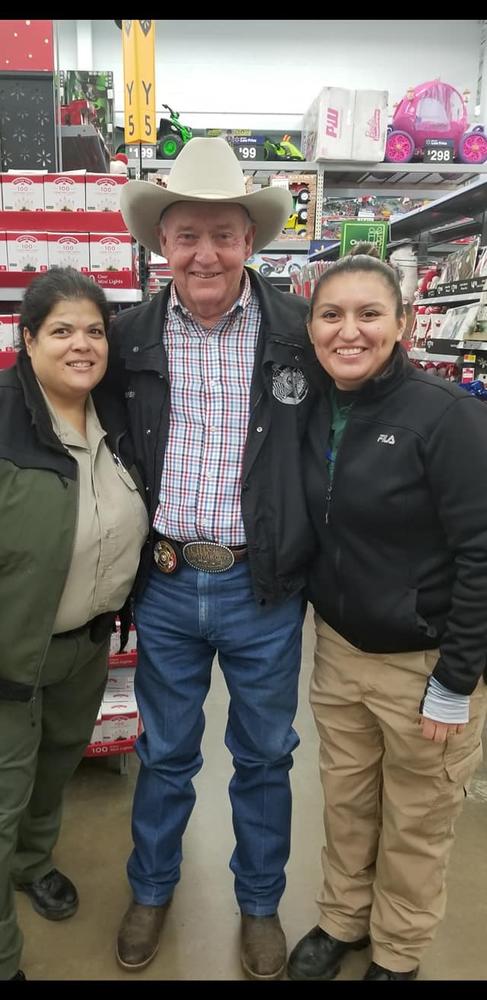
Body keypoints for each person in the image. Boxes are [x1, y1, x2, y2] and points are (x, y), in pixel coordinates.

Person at [94, 137, 321, 980]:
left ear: (250, 242)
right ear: (163, 243)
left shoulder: (300, 333)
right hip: (164, 583)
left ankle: (259, 905)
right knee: (165, 752)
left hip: (264, 589)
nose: (205, 253)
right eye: (187, 233)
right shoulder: (125, 337)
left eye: (223, 234)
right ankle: (151, 890)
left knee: (265, 755)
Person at [287, 243, 487, 981]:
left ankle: (397, 951)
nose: (349, 331)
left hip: (424, 662)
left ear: (401, 324)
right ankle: (342, 918)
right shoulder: (310, 408)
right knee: (345, 801)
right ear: (309, 328)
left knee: (416, 819)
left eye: (369, 314)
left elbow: (481, 554)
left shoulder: (445, 419)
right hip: (338, 650)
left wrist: (455, 680)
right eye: (331, 315)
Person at [0, 267, 148, 981]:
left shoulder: (114, 417)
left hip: (86, 645)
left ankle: (34, 864)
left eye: (94, 330)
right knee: (1, 798)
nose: (81, 344)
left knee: (56, 770)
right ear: (26, 340)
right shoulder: (3, 418)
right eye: (61, 330)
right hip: (8, 657)